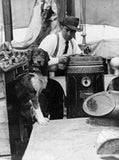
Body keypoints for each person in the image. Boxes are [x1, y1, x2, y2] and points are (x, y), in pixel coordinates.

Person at [38, 16, 82, 119]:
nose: (69, 34)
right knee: (44, 110)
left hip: (60, 81)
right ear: (61, 27)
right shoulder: (51, 40)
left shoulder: (72, 42)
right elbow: (39, 59)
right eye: (67, 30)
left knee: (58, 110)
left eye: (72, 32)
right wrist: (57, 60)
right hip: (46, 79)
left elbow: (79, 55)